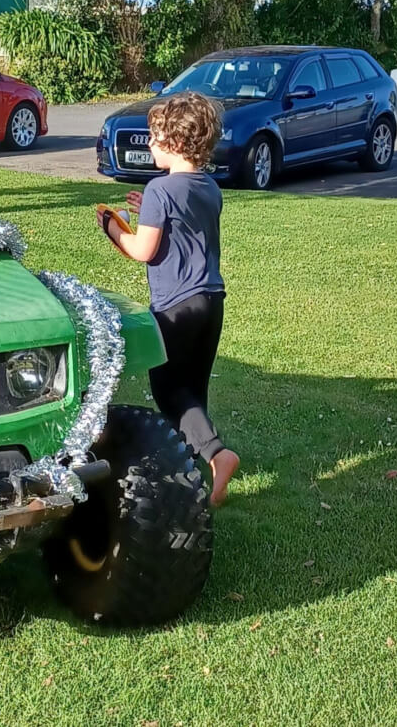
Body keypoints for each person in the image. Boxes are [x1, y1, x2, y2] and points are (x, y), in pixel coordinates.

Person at [96, 92, 240, 506]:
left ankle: (217, 454)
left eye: (154, 137)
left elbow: (143, 249)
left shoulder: (160, 189)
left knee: (167, 389)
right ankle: (197, 471)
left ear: (175, 142)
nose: (149, 143)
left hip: (175, 305)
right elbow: (183, 223)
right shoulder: (210, 187)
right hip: (211, 301)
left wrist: (111, 226)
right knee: (192, 388)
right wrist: (148, 211)